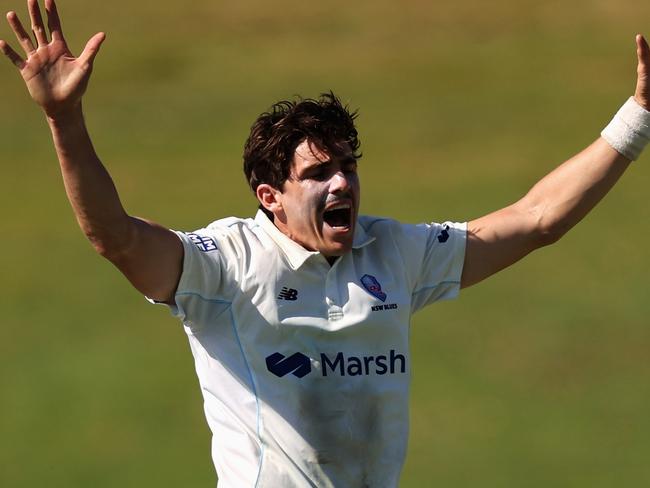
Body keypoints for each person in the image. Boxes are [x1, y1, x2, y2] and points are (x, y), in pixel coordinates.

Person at [1, 1, 649, 486]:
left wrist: (638, 117)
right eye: (317, 173)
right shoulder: (225, 266)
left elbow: (537, 219)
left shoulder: (395, 252)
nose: (342, 183)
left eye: (348, 166)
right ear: (269, 196)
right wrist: (64, 119)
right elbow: (114, 238)